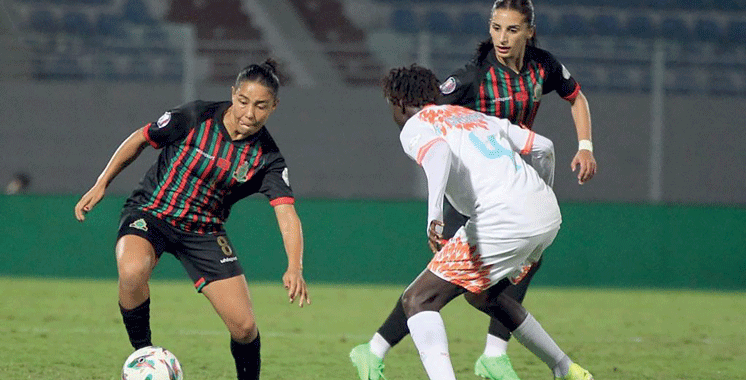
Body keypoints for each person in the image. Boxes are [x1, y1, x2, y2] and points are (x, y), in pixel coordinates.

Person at [350, 1, 596, 379]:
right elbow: (544, 146)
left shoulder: (540, 66)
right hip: (529, 199)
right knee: (481, 290)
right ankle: (551, 365)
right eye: (496, 28)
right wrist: (542, 192)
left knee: (422, 296)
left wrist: (431, 214)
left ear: (529, 31)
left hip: (497, 202)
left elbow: (438, 151)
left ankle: (378, 350)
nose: (502, 37)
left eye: (512, 29)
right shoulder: (473, 87)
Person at [74, 59, 311, 380]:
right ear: (232, 94)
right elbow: (141, 138)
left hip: (203, 231)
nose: (249, 114)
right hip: (152, 212)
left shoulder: (267, 158)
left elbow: (286, 212)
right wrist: (102, 182)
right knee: (131, 271)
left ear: (274, 107)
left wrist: (294, 265)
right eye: (243, 102)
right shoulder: (194, 117)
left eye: (261, 106)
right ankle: (145, 355)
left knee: (244, 327)